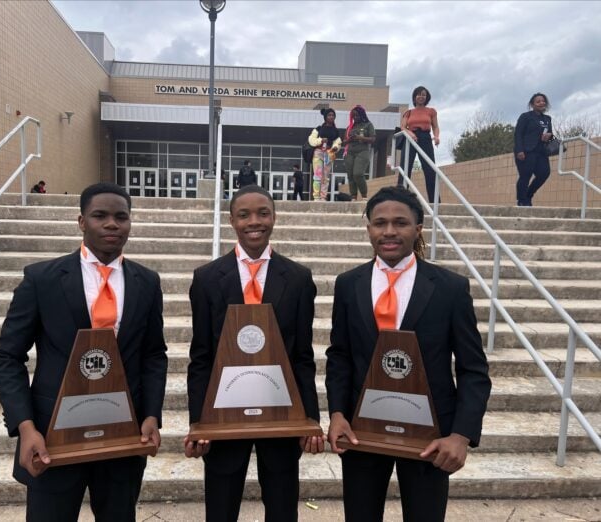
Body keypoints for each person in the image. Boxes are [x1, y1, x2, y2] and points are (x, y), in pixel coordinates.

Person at [0, 182, 168, 522]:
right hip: (53, 437)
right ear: (81, 221)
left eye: (121, 217)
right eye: (100, 216)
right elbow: (8, 357)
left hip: (122, 435)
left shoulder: (147, 282)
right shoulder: (42, 279)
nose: (112, 224)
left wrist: (151, 415)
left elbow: (153, 355)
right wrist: (25, 427)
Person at [326, 186, 491, 522]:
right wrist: (337, 413)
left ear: (418, 229)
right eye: (379, 222)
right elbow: (340, 355)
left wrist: (461, 435)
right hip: (362, 432)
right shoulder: (348, 284)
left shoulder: (450, 288)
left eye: (400, 223)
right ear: (368, 228)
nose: (389, 231)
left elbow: (474, 369)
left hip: (431, 439)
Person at [184, 184, 324, 522]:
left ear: (274, 217)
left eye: (263, 213)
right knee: (221, 503)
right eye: (244, 214)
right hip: (223, 411)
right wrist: (198, 422)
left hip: (280, 410)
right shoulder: (206, 278)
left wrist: (311, 419)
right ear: (232, 220)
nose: (254, 221)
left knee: (281, 502)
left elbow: (303, 356)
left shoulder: (299, 278)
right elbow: (201, 355)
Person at [398, 86, 441, 203]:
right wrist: (410, 133)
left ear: (426, 97)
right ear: (414, 97)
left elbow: (435, 126)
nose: (421, 97)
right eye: (419, 94)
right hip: (410, 138)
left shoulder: (431, 111)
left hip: (425, 137)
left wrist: (437, 137)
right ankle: (400, 198)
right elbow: (403, 127)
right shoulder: (408, 112)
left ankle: (435, 201)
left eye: (423, 95)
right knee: (405, 168)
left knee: (430, 169)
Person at [513, 92, 554, 206]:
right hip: (526, 151)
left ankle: (528, 195)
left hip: (541, 152)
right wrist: (519, 150)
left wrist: (549, 136)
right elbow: (518, 134)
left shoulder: (547, 119)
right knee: (525, 176)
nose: (541, 103)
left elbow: (551, 134)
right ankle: (522, 200)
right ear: (532, 104)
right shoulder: (525, 117)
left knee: (544, 173)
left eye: (543, 100)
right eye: (538, 101)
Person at [343, 105, 376, 201]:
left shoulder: (368, 125)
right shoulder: (350, 127)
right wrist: (350, 139)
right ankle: (353, 196)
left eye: (357, 115)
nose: (355, 118)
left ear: (362, 115)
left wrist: (359, 137)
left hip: (362, 151)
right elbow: (344, 141)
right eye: (354, 116)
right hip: (350, 152)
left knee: (358, 173)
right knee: (350, 175)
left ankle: (364, 195)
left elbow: (373, 139)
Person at [308, 108, 342, 201]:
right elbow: (311, 140)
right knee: (317, 175)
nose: (331, 117)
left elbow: (338, 142)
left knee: (325, 177)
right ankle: (316, 197)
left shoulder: (336, 131)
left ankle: (323, 197)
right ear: (325, 117)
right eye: (329, 115)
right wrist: (321, 140)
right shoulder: (318, 129)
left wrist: (335, 147)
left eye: (333, 115)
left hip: (329, 153)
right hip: (318, 153)